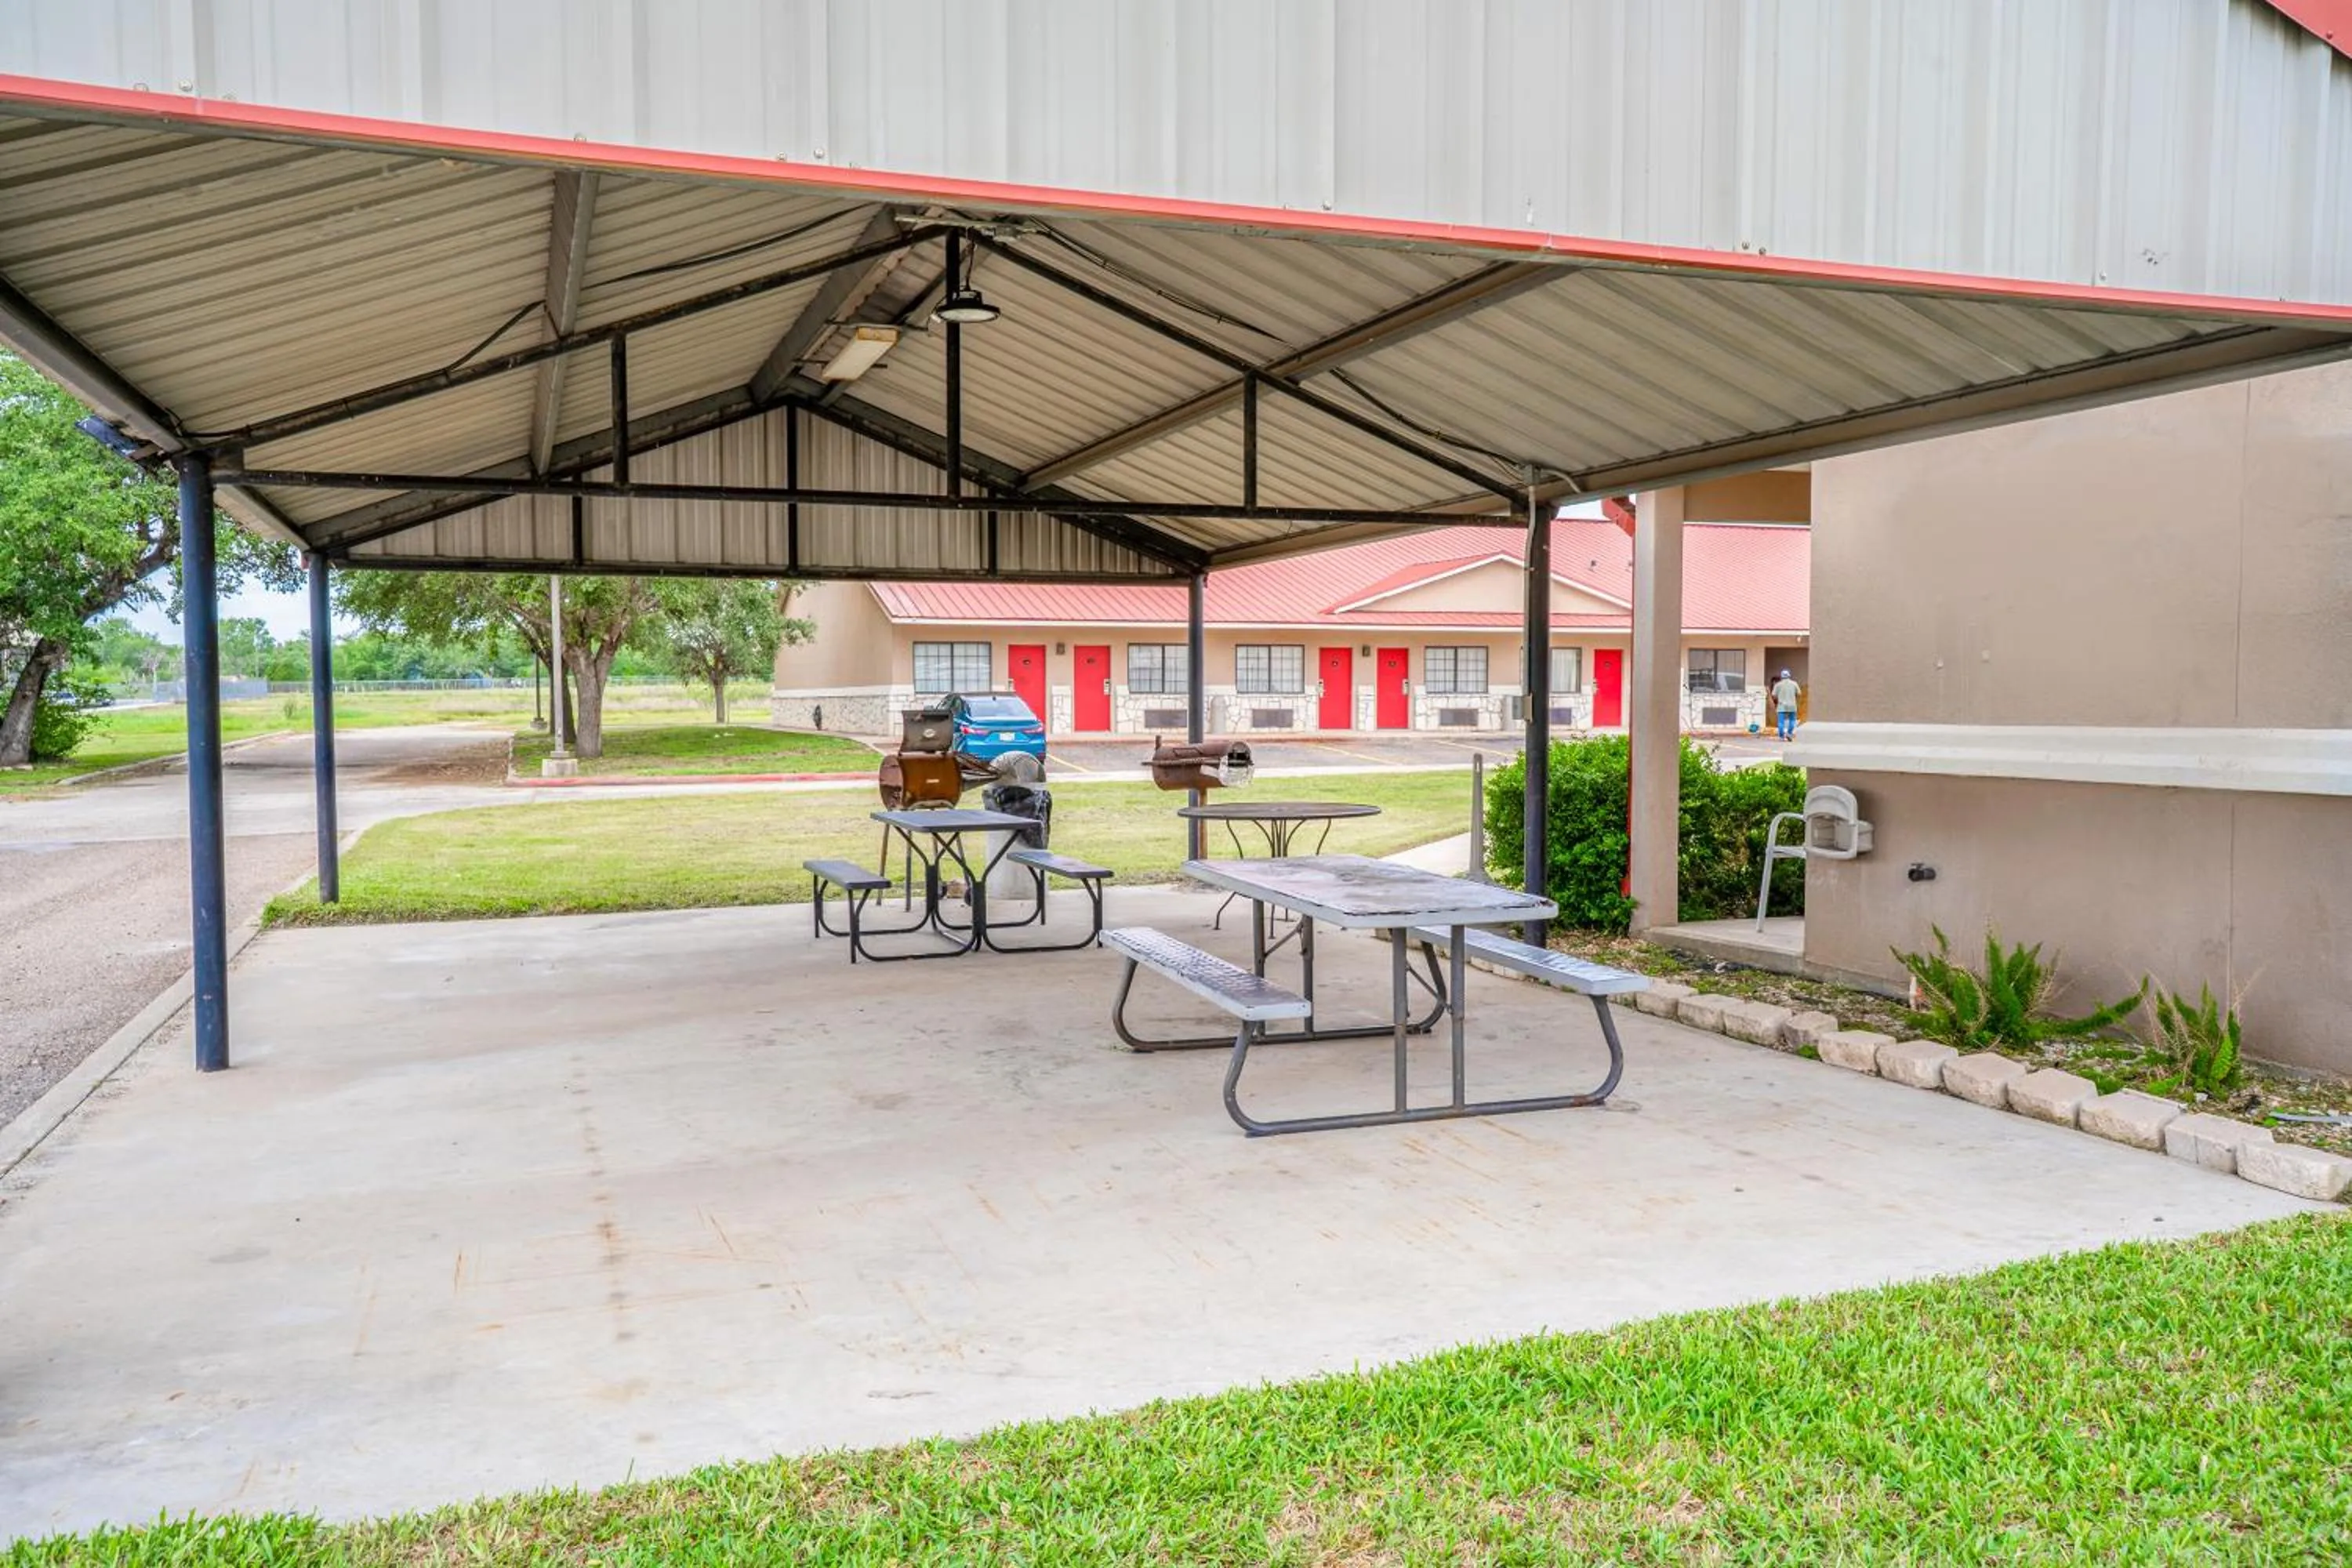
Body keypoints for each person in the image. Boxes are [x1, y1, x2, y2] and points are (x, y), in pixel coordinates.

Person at [1771, 669, 1802, 740]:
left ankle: (1781, 736)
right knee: (1792, 721)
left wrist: (1778, 698)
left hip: (1781, 705)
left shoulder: (1778, 685)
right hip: (1792, 705)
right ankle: (1789, 733)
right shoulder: (1794, 683)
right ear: (1789, 675)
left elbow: (1773, 695)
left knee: (1781, 722)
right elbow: (1799, 693)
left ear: (1781, 676)